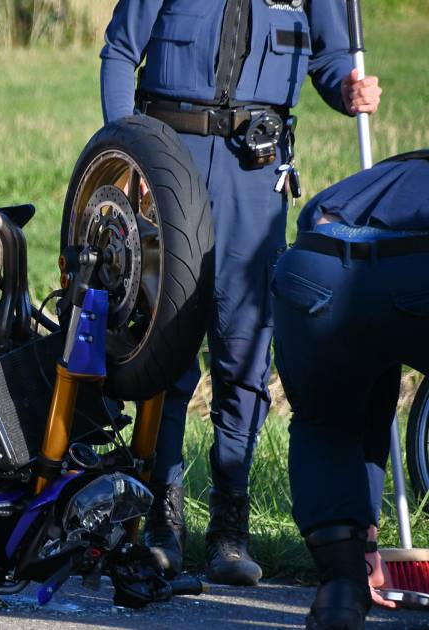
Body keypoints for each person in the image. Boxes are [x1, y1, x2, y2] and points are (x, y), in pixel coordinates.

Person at [100, 0, 381, 585]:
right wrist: (126, 154)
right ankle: (162, 518)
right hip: (169, 160)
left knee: (245, 344)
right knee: (168, 340)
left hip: (254, 169)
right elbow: (120, 51)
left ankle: (229, 527)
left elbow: (330, 60)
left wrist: (348, 90)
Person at [273, 152, 429, 629]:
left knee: (327, 421)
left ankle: (341, 589)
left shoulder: (381, 179)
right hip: (415, 274)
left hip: (312, 272)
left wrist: (366, 540)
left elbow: (375, 405)